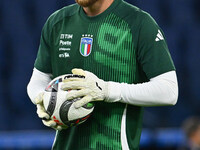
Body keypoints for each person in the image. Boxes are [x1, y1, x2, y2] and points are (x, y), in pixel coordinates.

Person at [27, 0, 179, 149]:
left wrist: (107, 91)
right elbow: (39, 78)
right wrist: (42, 98)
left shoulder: (139, 22)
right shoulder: (57, 22)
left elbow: (169, 91)